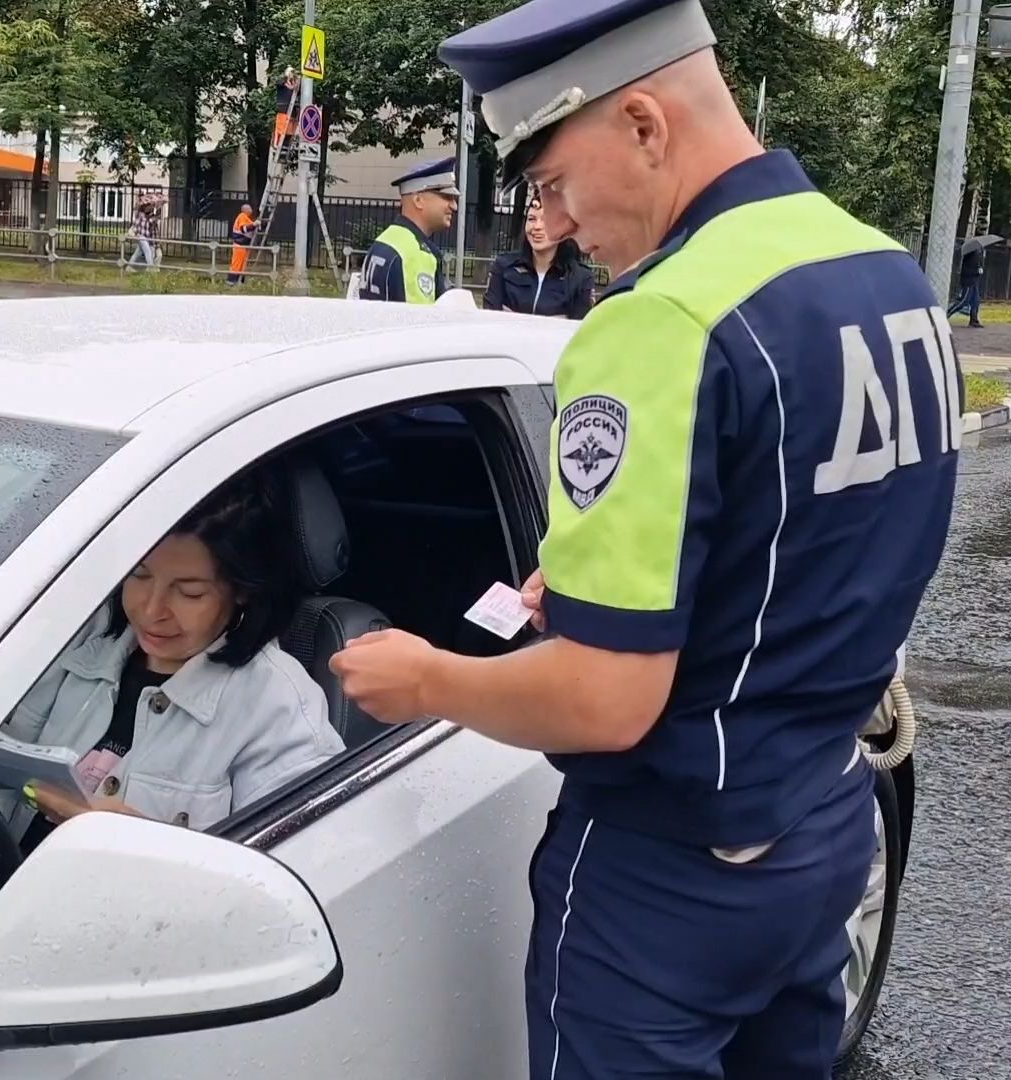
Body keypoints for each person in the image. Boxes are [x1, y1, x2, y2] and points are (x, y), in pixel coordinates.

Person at [331, 1, 960, 1077]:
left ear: (643, 123)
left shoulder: (658, 321)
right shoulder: (888, 275)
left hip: (673, 878)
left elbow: (608, 701)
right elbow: (824, 538)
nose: (557, 222)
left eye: (553, 182)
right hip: (824, 829)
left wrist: (428, 678)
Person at [7, 470, 344, 837]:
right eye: (138, 575)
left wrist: (143, 842)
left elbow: (298, 857)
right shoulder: (76, 636)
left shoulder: (276, 705)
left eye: (189, 593)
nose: (152, 611)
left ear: (242, 590)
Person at [358, 158, 459, 304]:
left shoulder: (386, 240)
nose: (454, 206)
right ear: (418, 200)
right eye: (446, 197)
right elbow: (421, 321)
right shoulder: (416, 254)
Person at [485, 199, 596, 318]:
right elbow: (489, 319)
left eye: (546, 220)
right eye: (532, 219)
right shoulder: (504, 267)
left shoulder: (581, 278)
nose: (537, 227)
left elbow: (581, 329)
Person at [126, 190, 165, 271]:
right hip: (141, 236)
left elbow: (152, 224)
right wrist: (133, 231)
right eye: (149, 206)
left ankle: (129, 267)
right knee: (147, 251)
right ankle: (150, 268)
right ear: (145, 207)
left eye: (152, 207)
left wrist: (156, 214)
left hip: (147, 237)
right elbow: (137, 223)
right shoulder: (141, 214)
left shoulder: (151, 215)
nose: (151, 208)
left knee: (138, 253)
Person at [949, 242, 985, 327]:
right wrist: (977, 271)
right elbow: (965, 271)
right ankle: (947, 313)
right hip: (968, 282)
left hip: (974, 282)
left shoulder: (978, 255)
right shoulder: (969, 256)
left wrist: (980, 269)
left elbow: (978, 267)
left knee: (975, 301)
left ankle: (974, 320)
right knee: (963, 301)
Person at [228, 202, 258, 285]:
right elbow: (244, 229)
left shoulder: (246, 218)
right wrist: (254, 225)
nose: (251, 210)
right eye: (250, 209)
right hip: (239, 244)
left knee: (242, 264)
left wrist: (256, 224)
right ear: (246, 210)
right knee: (237, 263)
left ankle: (239, 280)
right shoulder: (242, 216)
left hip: (243, 245)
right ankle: (232, 280)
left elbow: (250, 226)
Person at [274, 67, 302, 152]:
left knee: (289, 133)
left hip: (292, 112)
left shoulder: (295, 86)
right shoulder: (282, 83)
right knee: (281, 131)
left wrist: (296, 80)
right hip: (283, 110)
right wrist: (287, 77)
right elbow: (279, 83)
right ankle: (278, 147)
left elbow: (298, 90)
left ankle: (285, 149)